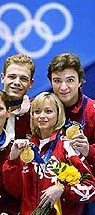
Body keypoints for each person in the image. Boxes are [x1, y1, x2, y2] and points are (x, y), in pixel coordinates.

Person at [3, 92, 95, 215]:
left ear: (58, 114)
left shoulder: (68, 146)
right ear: (32, 115)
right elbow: (14, 190)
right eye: (37, 111)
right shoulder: (26, 148)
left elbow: (91, 189)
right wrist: (12, 160)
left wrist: (63, 189)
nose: (42, 116)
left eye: (48, 111)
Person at [47, 52, 95, 215]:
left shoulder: (93, 111)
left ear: (80, 81)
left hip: (88, 194)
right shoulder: (40, 109)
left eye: (70, 80)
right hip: (48, 191)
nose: (63, 87)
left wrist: (89, 151)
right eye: (57, 81)